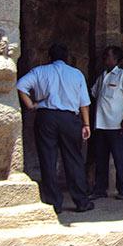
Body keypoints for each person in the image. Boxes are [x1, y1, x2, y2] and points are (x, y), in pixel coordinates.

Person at [17, 43, 94, 214]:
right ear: (67, 58)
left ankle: (54, 203)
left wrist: (31, 105)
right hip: (69, 119)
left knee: (48, 159)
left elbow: (21, 85)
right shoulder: (76, 74)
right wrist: (86, 124)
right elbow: (84, 103)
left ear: (49, 57)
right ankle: (81, 201)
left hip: (46, 117)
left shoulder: (40, 71)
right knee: (74, 159)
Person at [89, 46, 123, 200]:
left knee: (120, 158)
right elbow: (94, 93)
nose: (105, 59)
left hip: (116, 124)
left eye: (108, 56)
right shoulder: (102, 76)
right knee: (100, 158)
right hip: (101, 124)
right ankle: (100, 189)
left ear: (116, 60)